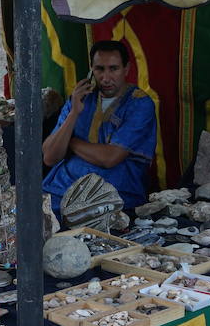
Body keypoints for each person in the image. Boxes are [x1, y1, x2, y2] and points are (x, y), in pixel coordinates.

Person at [42, 40, 156, 211]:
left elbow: (109, 158)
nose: (106, 78)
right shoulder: (80, 99)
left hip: (112, 194)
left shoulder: (139, 104)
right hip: (61, 189)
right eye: (99, 69)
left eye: (113, 69)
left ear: (126, 69)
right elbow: (50, 157)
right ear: (91, 70)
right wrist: (74, 113)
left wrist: (71, 143)